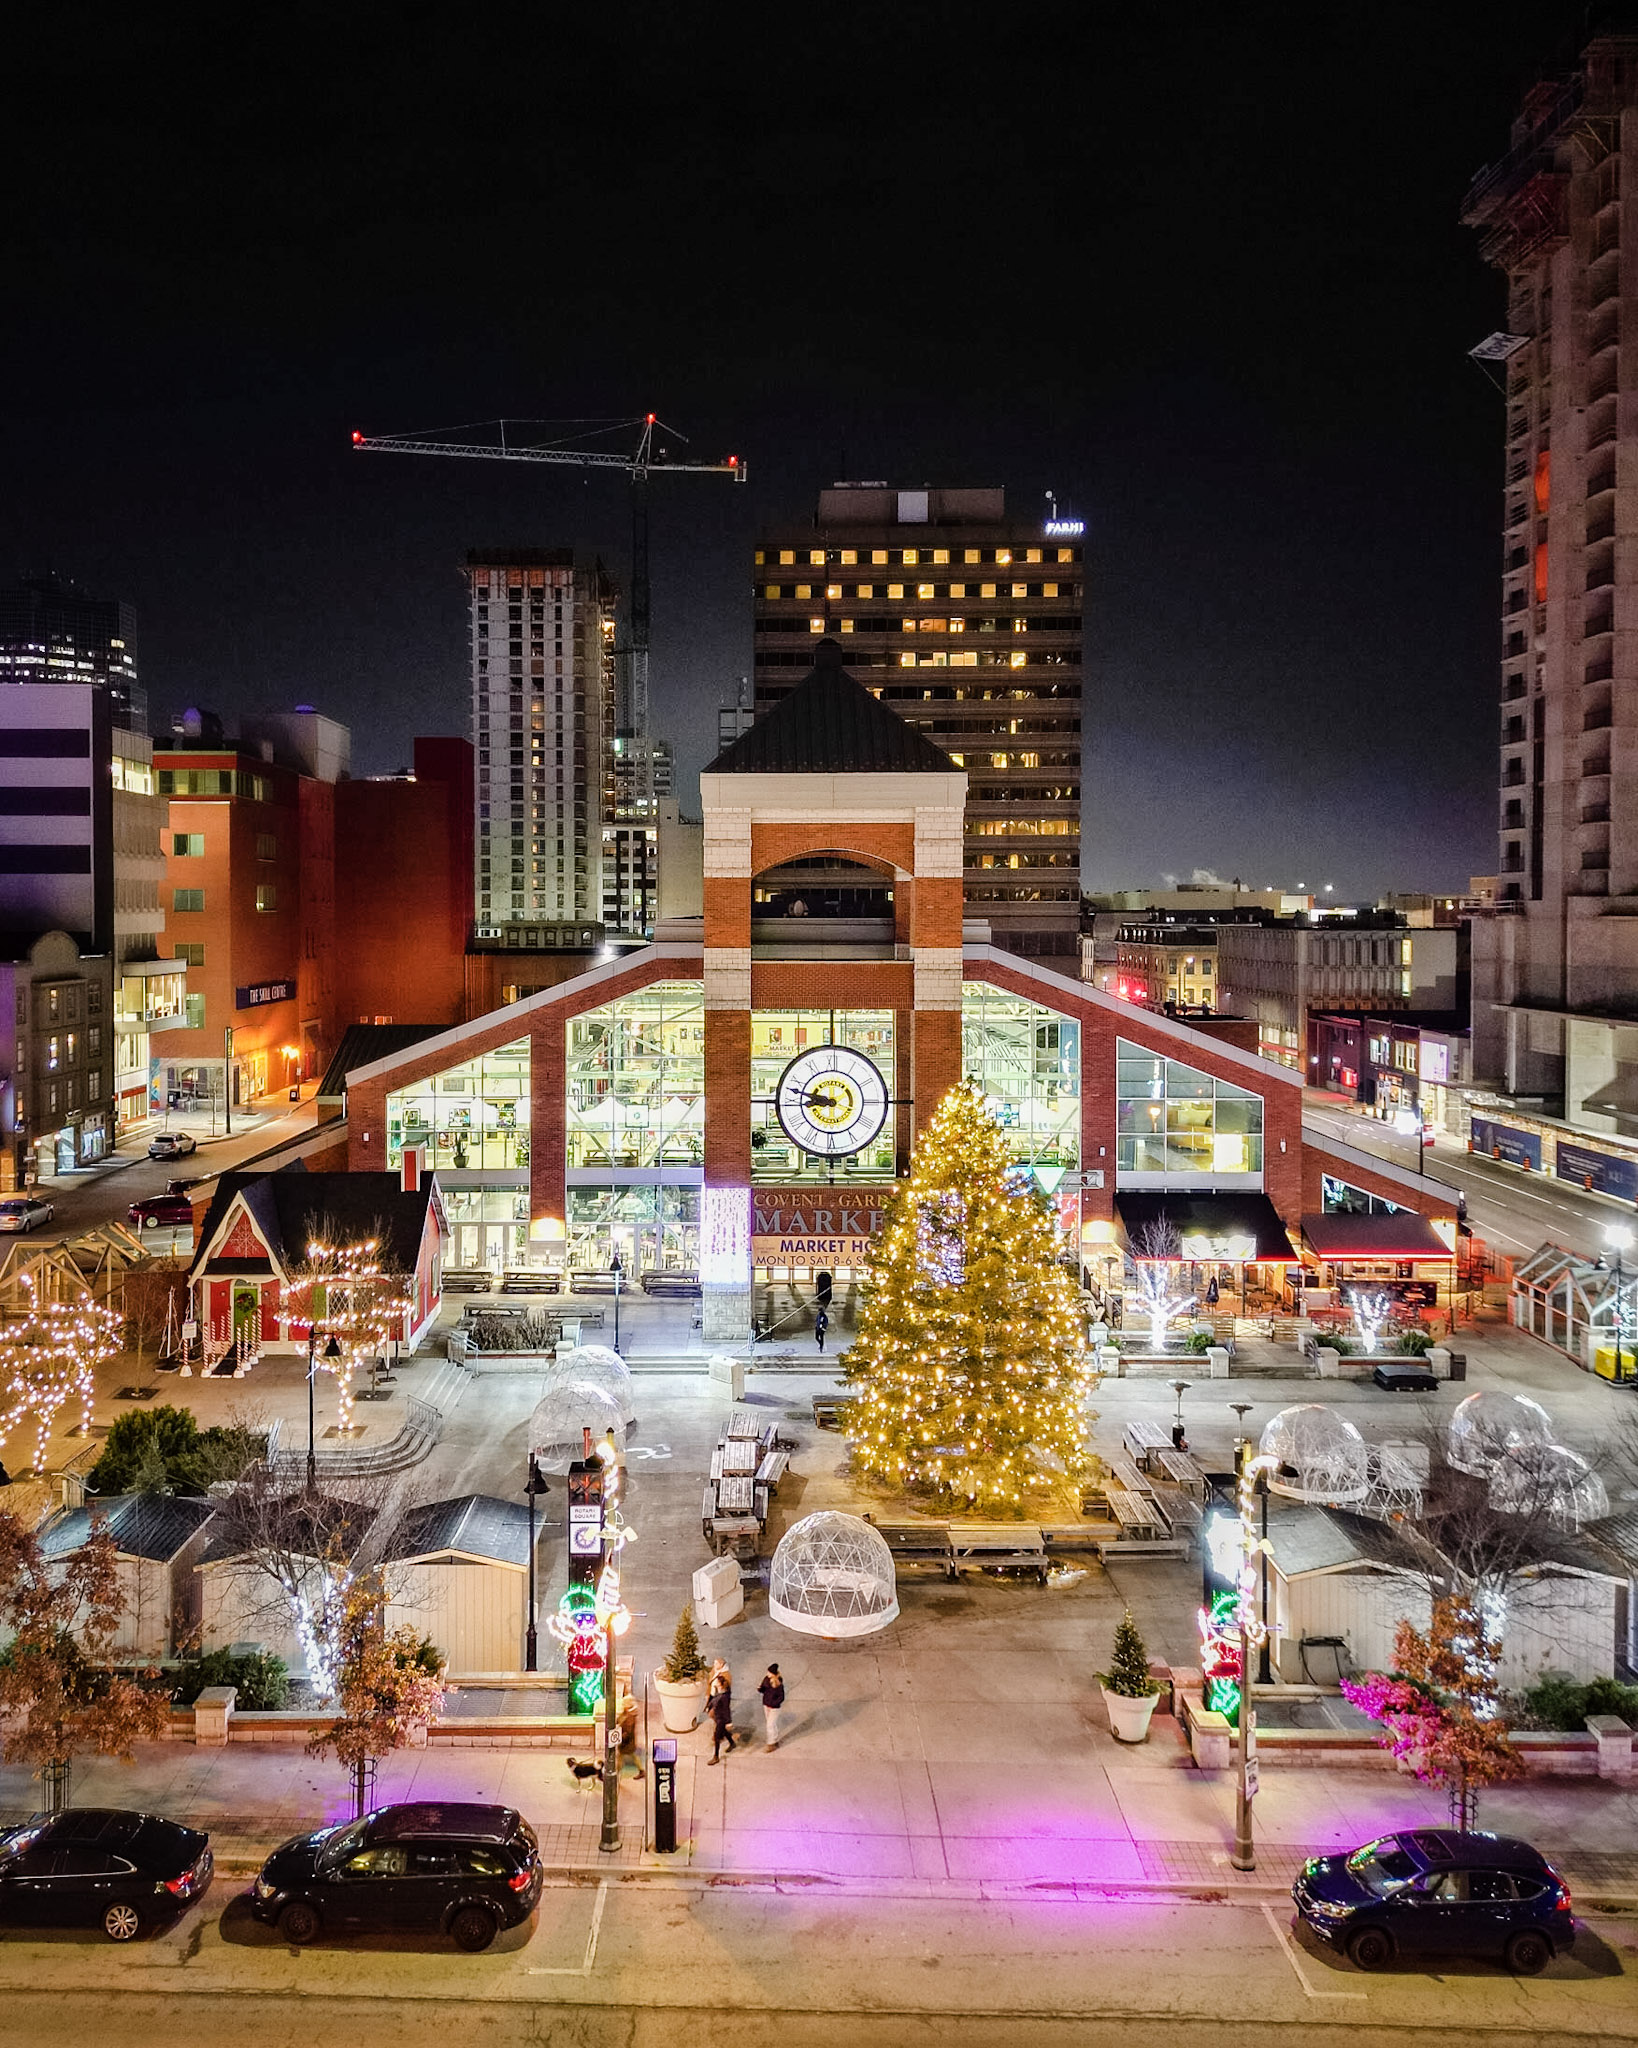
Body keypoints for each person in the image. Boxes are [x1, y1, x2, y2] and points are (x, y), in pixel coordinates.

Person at [707, 1667, 736, 1763]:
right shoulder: (722, 1693)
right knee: (723, 1732)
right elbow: (713, 1701)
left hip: (721, 1719)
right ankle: (732, 1743)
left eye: (717, 1684)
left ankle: (716, 1756)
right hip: (718, 1717)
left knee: (717, 1737)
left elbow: (726, 1710)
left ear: (721, 1686)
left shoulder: (723, 1697)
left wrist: (728, 1722)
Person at [758, 1663, 786, 1750]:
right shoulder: (766, 1679)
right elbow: (763, 1688)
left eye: (769, 1673)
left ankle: (771, 1743)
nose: (767, 1674)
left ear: (773, 1674)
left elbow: (781, 1697)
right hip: (766, 1704)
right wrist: (760, 1689)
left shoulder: (778, 1684)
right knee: (772, 1724)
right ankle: (775, 1738)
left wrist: (774, 1703)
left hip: (774, 1707)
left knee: (770, 1725)